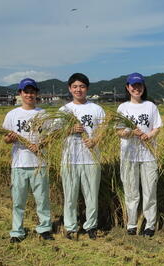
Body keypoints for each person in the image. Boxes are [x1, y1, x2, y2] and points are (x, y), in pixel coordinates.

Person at [3, 78, 54, 243]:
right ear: (20, 93)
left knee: (42, 199)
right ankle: (17, 231)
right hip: (19, 164)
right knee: (18, 201)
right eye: (26, 91)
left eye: (32, 91)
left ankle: (45, 228)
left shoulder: (43, 114)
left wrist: (40, 145)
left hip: (39, 164)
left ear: (36, 93)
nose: (29, 94)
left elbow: (51, 136)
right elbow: (5, 138)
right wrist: (10, 139)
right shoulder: (12, 114)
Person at [116, 72, 162, 237]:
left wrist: (149, 135)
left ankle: (150, 225)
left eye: (139, 85)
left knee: (150, 191)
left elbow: (157, 127)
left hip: (148, 155)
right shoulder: (123, 108)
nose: (136, 88)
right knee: (131, 192)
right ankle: (132, 224)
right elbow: (119, 132)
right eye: (133, 86)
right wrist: (131, 132)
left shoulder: (151, 106)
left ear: (143, 87)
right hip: (129, 156)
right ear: (128, 88)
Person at [60, 73, 105, 240]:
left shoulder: (96, 109)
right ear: (70, 89)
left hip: (91, 159)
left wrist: (95, 140)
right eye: (75, 86)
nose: (78, 89)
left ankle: (91, 226)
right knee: (70, 195)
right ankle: (71, 227)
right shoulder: (64, 110)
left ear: (87, 88)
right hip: (69, 159)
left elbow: (103, 130)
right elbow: (55, 133)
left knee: (92, 195)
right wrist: (70, 130)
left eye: (82, 86)